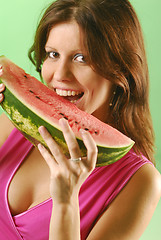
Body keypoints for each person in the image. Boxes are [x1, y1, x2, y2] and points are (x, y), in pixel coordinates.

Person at [0, 0, 161, 239]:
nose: (60, 75)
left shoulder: (139, 181)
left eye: (81, 58)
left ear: (120, 69)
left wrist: (66, 203)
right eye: (53, 54)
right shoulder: (9, 126)